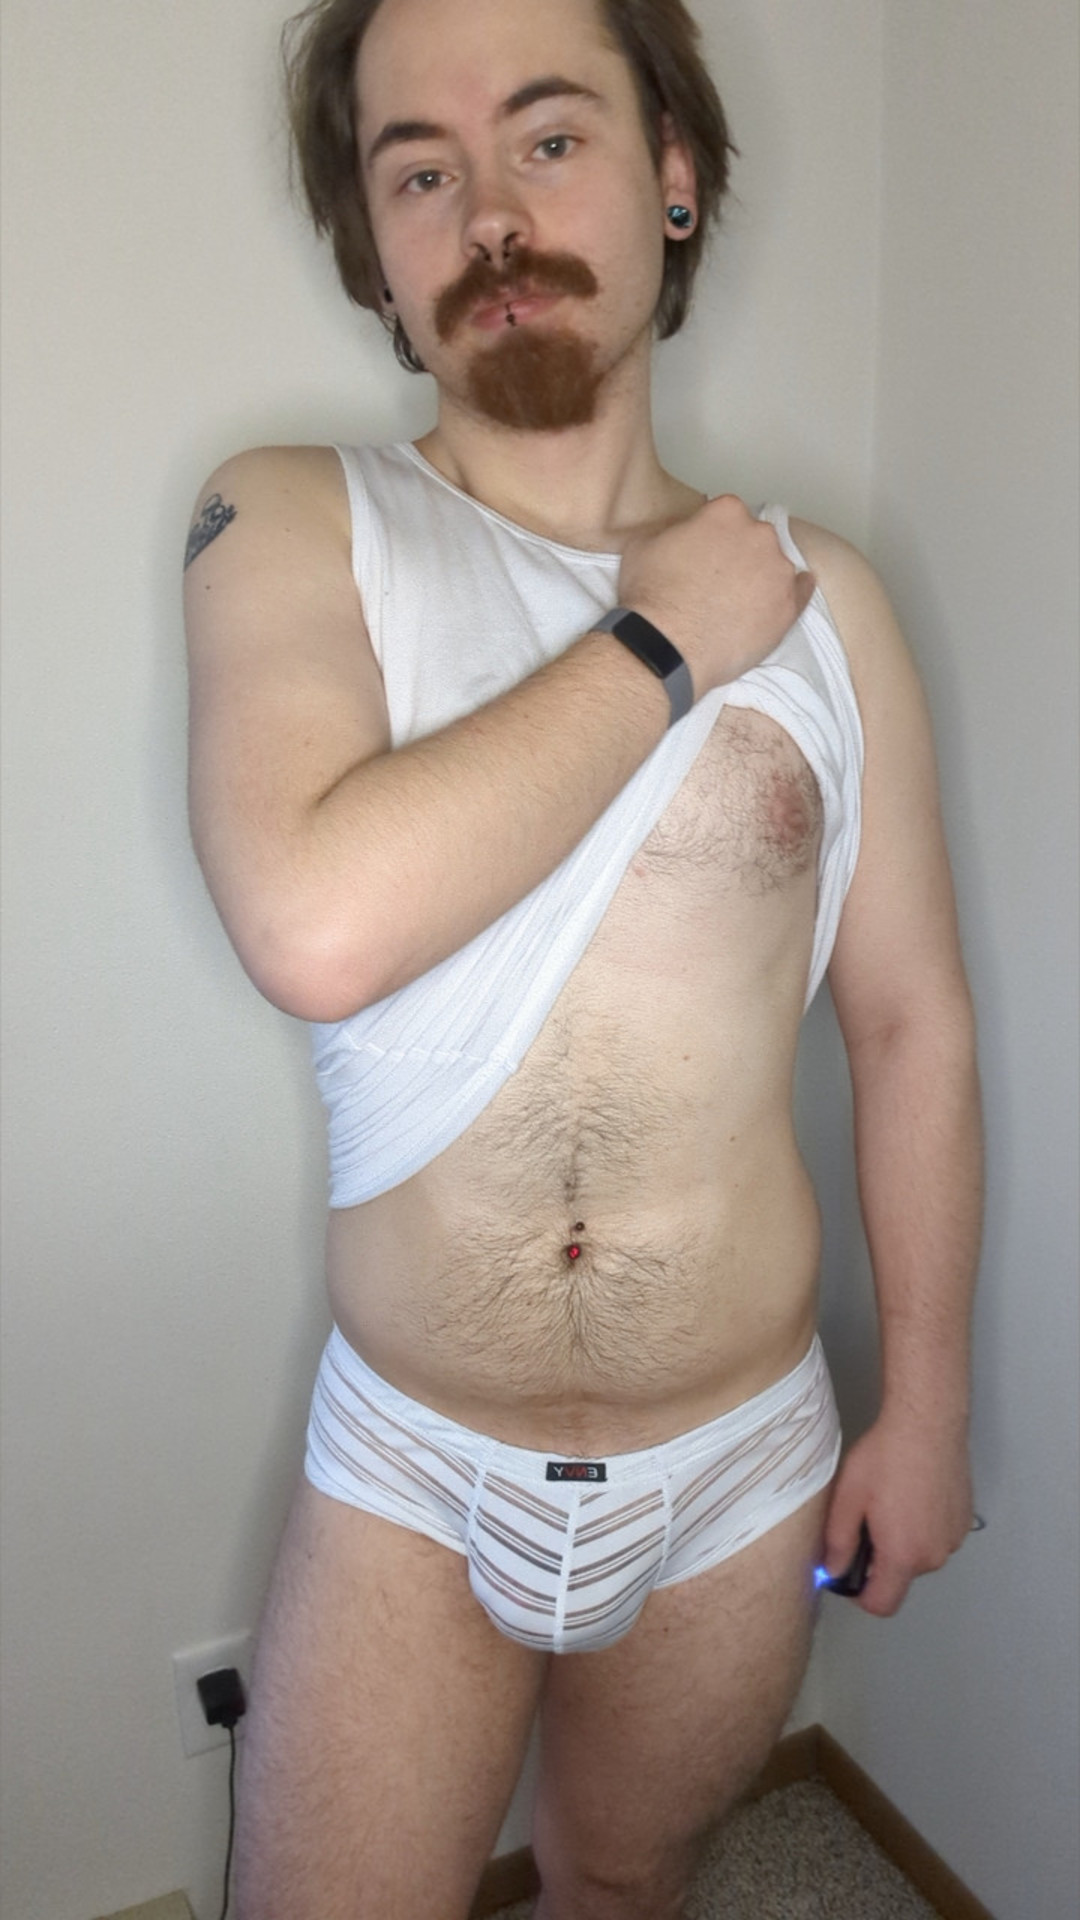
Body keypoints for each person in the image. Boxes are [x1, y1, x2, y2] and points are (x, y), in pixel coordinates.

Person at [183, 0, 982, 1913]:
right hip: (414, 1464)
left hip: (738, 1465)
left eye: (549, 140)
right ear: (376, 249)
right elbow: (313, 922)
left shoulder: (831, 605)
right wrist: (666, 639)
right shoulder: (293, 519)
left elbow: (910, 1025)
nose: (489, 217)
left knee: (627, 1885)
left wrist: (930, 1404)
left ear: (673, 177)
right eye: (421, 173)